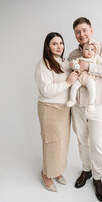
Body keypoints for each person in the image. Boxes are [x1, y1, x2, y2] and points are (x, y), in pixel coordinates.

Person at [68, 17, 102, 202]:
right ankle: (86, 171)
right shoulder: (73, 54)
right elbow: (71, 75)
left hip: (97, 104)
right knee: (82, 141)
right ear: (75, 34)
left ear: (91, 31)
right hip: (78, 105)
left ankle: (97, 178)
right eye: (78, 32)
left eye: (84, 30)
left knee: (97, 143)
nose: (82, 34)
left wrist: (89, 65)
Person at [34, 32, 78, 192]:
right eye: (54, 43)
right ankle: (46, 174)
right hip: (50, 108)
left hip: (65, 109)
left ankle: (57, 171)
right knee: (51, 143)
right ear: (48, 46)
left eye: (61, 43)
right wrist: (67, 83)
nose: (59, 46)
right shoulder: (43, 64)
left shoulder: (65, 62)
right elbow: (46, 90)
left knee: (62, 143)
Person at [66, 38, 102, 111]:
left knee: (92, 88)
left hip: (90, 78)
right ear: (83, 51)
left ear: (95, 52)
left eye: (92, 50)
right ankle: (72, 99)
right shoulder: (80, 58)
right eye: (87, 49)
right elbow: (74, 62)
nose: (89, 51)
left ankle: (91, 103)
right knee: (74, 86)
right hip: (80, 77)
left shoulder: (96, 58)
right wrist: (72, 64)